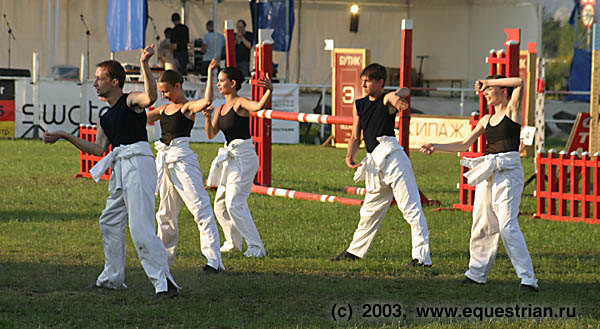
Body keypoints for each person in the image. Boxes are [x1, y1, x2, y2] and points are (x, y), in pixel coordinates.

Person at [42, 45, 179, 297]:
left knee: (140, 229)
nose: (94, 83)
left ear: (115, 82)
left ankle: (164, 283)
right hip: (121, 166)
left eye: (99, 78)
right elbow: (97, 149)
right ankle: (112, 279)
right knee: (109, 221)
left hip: (138, 162)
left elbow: (150, 98)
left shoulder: (130, 100)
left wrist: (145, 64)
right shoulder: (104, 116)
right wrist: (64, 135)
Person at [420, 75, 538, 292]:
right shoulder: (485, 120)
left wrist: (487, 80)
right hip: (488, 171)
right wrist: (435, 145)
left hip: (508, 173)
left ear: (503, 91)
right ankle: (476, 274)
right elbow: (464, 143)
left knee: (507, 225)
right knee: (482, 223)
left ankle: (528, 279)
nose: (485, 92)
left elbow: (521, 82)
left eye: (490, 89)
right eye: (484, 89)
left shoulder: (512, 111)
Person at [332, 63, 432, 267]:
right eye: (362, 80)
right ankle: (354, 252)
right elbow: (354, 134)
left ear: (380, 83)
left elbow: (400, 94)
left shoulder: (386, 99)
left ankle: (422, 259)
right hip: (374, 163)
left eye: (367, 81)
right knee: (369, 211)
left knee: (411, 210)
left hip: (394, 159)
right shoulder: (359, 104)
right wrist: (349, 155)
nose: (363, 84)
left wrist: (397, 98)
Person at [146, 59, 224, 273]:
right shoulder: (163, 109)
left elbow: (207, 100)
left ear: (177, 87)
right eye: (161, 91)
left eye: (166, 91)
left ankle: (214, 260)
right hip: (165, 162)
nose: (164, 95)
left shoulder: (187, 107)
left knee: (200, 208)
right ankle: (164, 259)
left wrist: (209, 71)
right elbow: (141, 114)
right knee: (165, 214)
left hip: (183, 162)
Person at [202, 66, 272, 258]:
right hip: (230, 156)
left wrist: (269, 90)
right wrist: (207, 118)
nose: (218, 84)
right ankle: (233, 243)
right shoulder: (220, 108)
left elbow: (258, 107)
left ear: (232, 84)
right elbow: (210, 134)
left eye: (222, 80)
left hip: (244, 156)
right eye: (217, 80)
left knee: (234, 203)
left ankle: (256, 247)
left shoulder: (240, 103)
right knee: (220, 204)